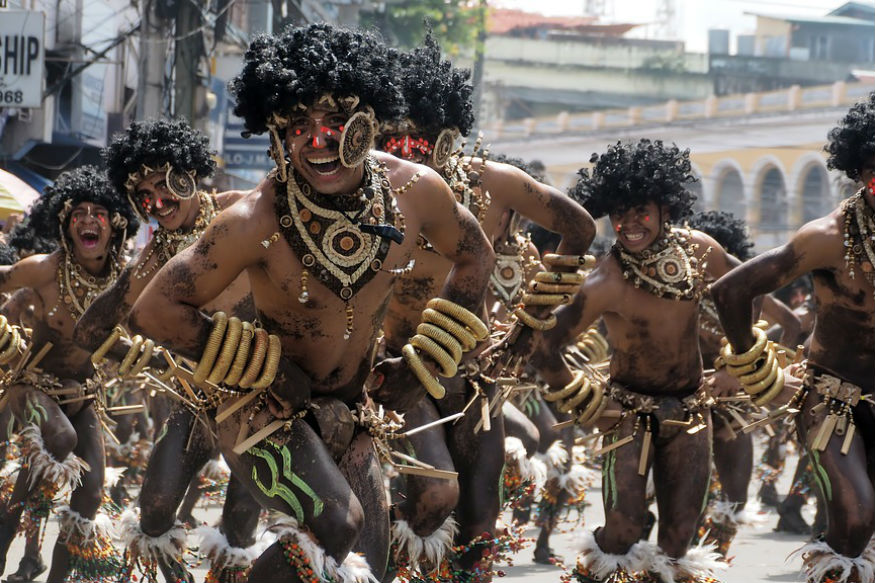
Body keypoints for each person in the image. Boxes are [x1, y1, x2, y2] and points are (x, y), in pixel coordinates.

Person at [127, 23, 495, 583]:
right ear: (278, 137)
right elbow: (153, 312)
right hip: (260, 411)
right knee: (337, 525)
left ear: (368, 120)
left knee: (371, 566)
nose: (317, 141)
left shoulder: (417, 192)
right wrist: (267, 370)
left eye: (334, 123)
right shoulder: (254, 220)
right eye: (299, 126)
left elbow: (477, 258)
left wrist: (425, 365)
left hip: (354, 410)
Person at [377, 34, 595, 580]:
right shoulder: (367, 194)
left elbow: (580, 227)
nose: (405, 154)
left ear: (443, 136)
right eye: (392, 140)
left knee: (480, 528)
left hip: (476, 381)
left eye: (416, 141)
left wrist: (526, 328)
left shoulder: (494, 185)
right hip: (404, 377)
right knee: (432, 496)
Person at [531, 139, 735, 583]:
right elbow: (546, 349)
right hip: (628, 415)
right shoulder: (604, 281)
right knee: (623, 528)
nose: (628, 224)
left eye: (640, 210)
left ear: (665, 206)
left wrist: (731, 364)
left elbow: (742, 296)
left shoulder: (703, 252)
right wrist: (589, 406)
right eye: (618, 213)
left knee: (680, 536)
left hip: (690, 412)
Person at [73, 117, 262, 583]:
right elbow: (90, 330)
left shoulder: (243, 213)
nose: (160, 202)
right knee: (154, 508)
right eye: (146, 197)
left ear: (190, 173)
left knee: (240, 520)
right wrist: (144, 355)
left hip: (262, 397)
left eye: (167, 185)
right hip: (196, 401)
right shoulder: (152, 262)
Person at [711, 92, 875, 583]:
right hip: (832, 402)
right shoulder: (826, 236)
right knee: (855, 519)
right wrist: (748, 365)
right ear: (858, 173)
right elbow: (732, 291)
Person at [0, 165, 139, 581]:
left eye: (99, 212)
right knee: (61, 438)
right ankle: (9, 514)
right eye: (78, 212)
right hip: (32, 387)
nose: (88, 220)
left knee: (91, 496)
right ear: (64, 222)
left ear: (115, 226)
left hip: (84, 394)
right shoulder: (43, 269)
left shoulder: (127, 282)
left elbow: (150, 326)